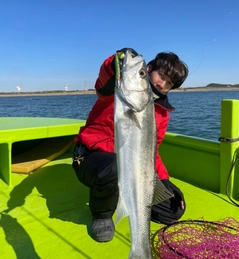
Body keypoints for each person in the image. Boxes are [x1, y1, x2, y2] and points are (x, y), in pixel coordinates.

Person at [72, 48, 189, 243]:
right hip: (90, 158)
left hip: (129, 168)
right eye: (161, 76)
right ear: (149, 68)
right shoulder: (115, 92)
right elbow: (105, 77)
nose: (162, 84)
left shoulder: (161, 114)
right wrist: (115, 62)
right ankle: (102, 214)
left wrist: (164, 181)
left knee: (173, 209)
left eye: (169, 83)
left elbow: (151, 151)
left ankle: (127, 201)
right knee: (114, 167)